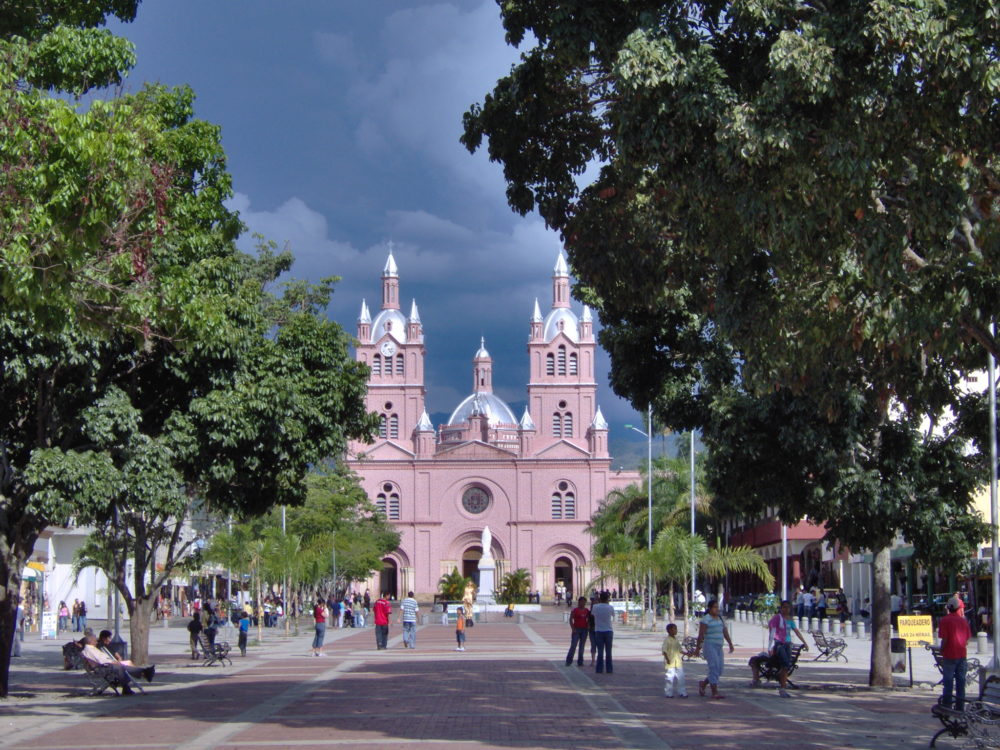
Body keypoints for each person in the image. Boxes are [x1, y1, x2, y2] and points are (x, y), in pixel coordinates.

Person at [751, 600, 809, 697]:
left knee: (785, 666)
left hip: (788, 645)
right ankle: (782, 688)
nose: (786, 609)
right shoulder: (777, 619)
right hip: (780, 645)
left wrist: (805, 643)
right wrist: (770, 647)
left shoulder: (790, 620)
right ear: (781, 608)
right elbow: (772, 633)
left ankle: (783, 688)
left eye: (788, 607)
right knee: (785, 665)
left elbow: (797, 632)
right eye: (784, 607)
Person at [81, 634, 154, 694]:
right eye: (95, 640)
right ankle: (142, 673)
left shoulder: (90, 648)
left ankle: (142, 673)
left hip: (105, 666)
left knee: (123, 666)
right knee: (121, 667)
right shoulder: (90, 650)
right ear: (90, 641)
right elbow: (101, 660)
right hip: (104, 667)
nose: (96, 642)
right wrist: (113, 662)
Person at [694, 599, 735, 698]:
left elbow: (725, 631)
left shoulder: (720, 618)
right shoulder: (706, 619)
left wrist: (730, 643)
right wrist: (698, 648)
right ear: (710, 608)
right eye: (715, 607)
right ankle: (714, 692)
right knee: (713, 667)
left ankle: (703, 684)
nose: (717, 609)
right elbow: (701, 634)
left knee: (719, 669)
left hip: (719, 646)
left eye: (718, 607)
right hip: (709, 645)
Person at [938, 596, 972, 711]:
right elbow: (967, 640)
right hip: (962, 655)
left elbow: (945, 639)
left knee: (948, 681)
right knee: (960, 682)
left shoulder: (945, 620)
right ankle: (960, 706)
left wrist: (942, 649)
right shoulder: (963, 621)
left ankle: (947, 704)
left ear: (948, 607)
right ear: (958, 608)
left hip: (949, 655)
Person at [591, 591, 615, 674]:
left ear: (599, 598)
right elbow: (613, 616)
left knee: (600, 651)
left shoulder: (595, 607)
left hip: (598, 631)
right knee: (609, 652)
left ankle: (599, 669)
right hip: (608, 630)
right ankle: (609, 669)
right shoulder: (610, 607)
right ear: (607, 599)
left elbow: (593, 615)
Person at [662, 623, 688, 698]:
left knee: (681, 677)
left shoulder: (676, 639)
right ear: (669, 630)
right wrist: (667, 659)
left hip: (678, 662)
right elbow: (664, 651)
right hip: (670, 662)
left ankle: (682, 692)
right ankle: (668, 693)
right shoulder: (667, 640)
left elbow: (679, 649)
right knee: (669, 677)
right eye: (674, 629)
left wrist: (686, 653)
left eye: (676, 629)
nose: (676, 630)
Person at [565, 596, 590, 666]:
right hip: (576, 630)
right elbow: (570, 620)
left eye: (584, 602)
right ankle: (569, 661)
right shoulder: (575, 610)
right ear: (579, 602)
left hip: (584, 630)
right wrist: (573, 628)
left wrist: (588, 627)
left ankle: (580, 661)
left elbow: (589, 620)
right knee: (573, 646)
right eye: (582, 602)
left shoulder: (586, 611)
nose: (583, 603)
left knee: (582, 646)